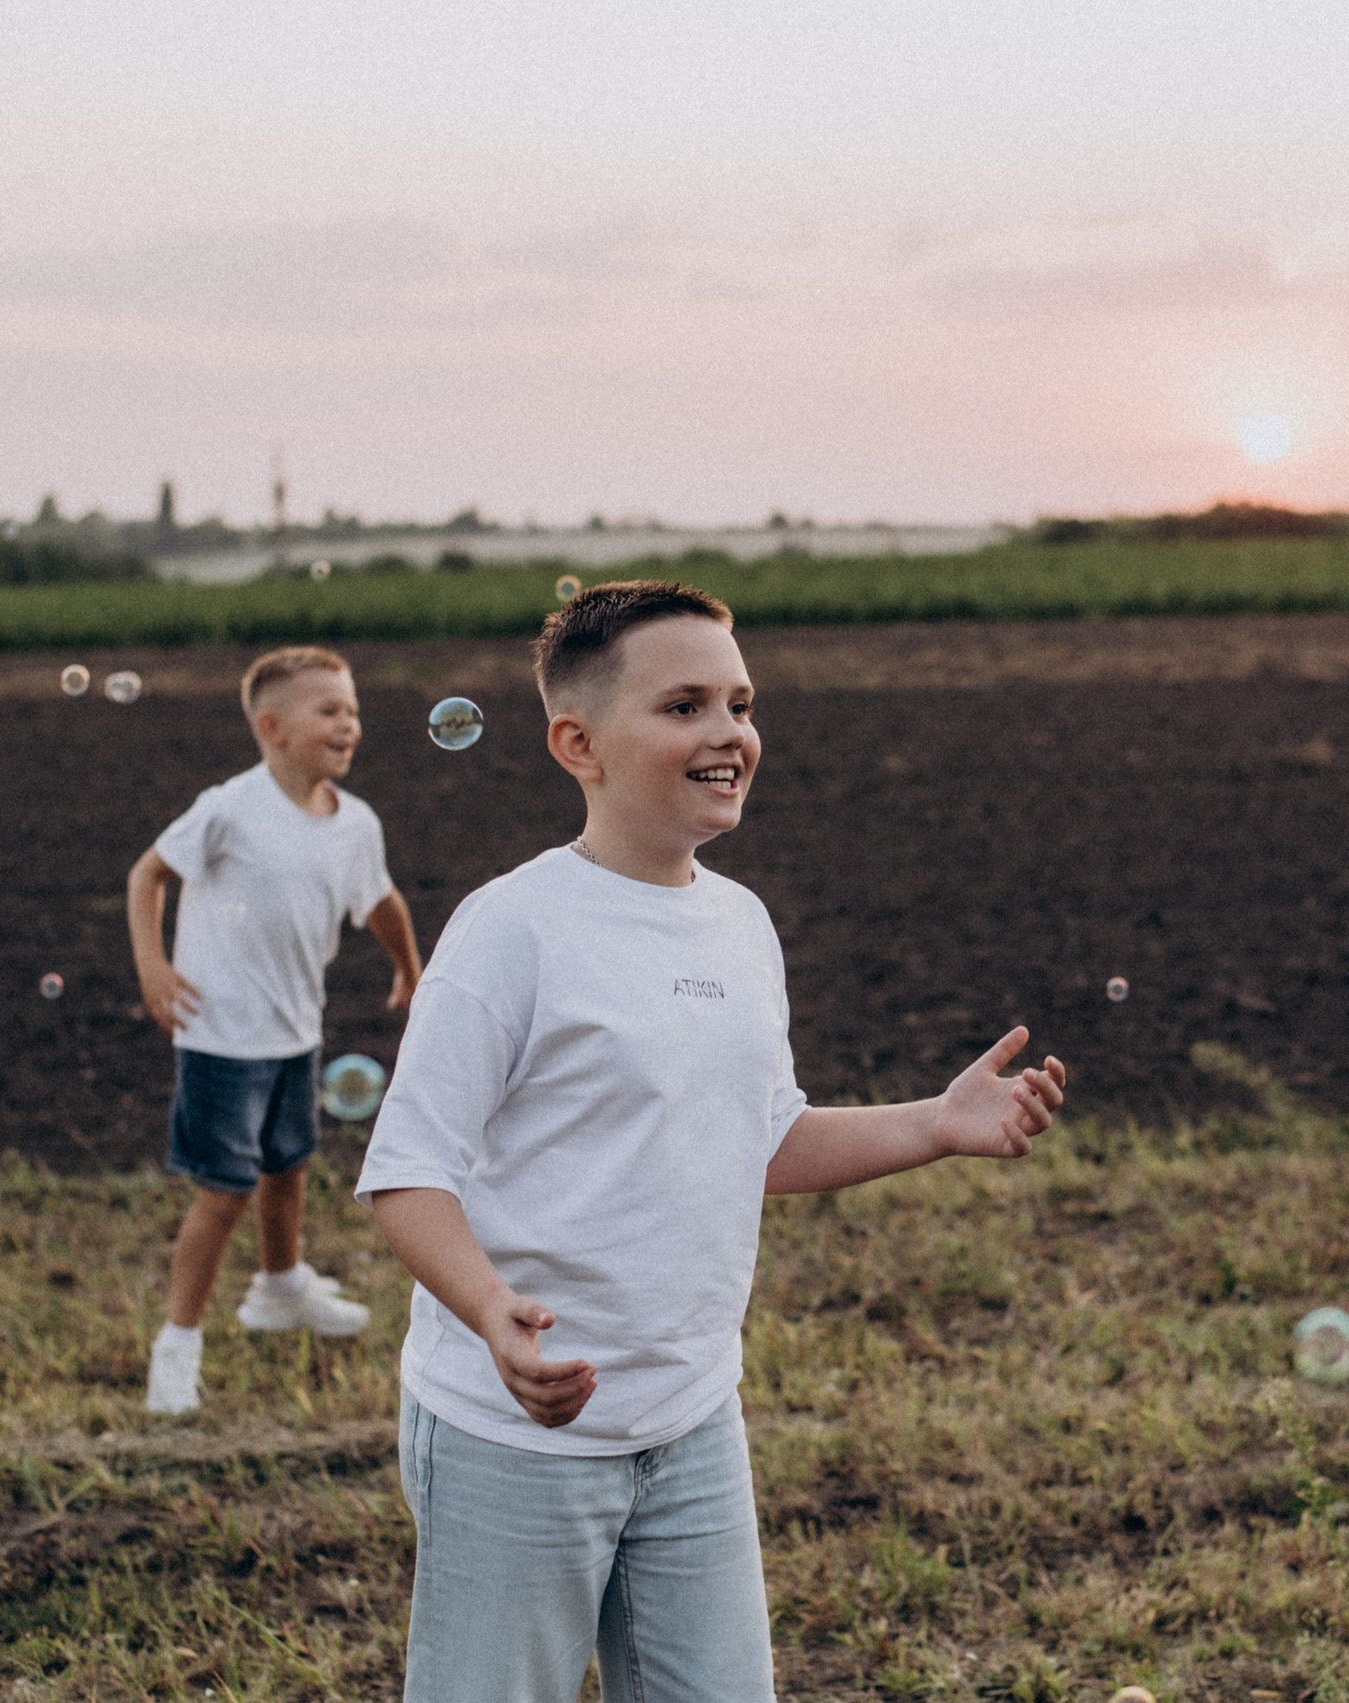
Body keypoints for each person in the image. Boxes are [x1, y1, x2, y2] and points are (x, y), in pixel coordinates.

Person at [357, 581, 1065, 1700]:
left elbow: (763, 1138)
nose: (729, 732)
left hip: (689, 1421)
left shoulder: (739, 921)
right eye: (684, 705)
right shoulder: (513, 927)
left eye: (739, 702)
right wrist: (491, 1310)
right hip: (517, 1439)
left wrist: (933, 1124)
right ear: (577, 743)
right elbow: (407, 1169)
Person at [129, 645, 423, 1416]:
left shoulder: (354, 822)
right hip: (220, 1036)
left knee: (288, 1163)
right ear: (272, 726)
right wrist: (153, 966)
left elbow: (382, 899)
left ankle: (280, 1287)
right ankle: (177, 1343)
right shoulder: (230, 807)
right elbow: (147, 873)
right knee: (224, 1190)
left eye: (352, 710)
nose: (348, 723)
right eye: (328, 709)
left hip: (294, 1030)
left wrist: (409, 967)